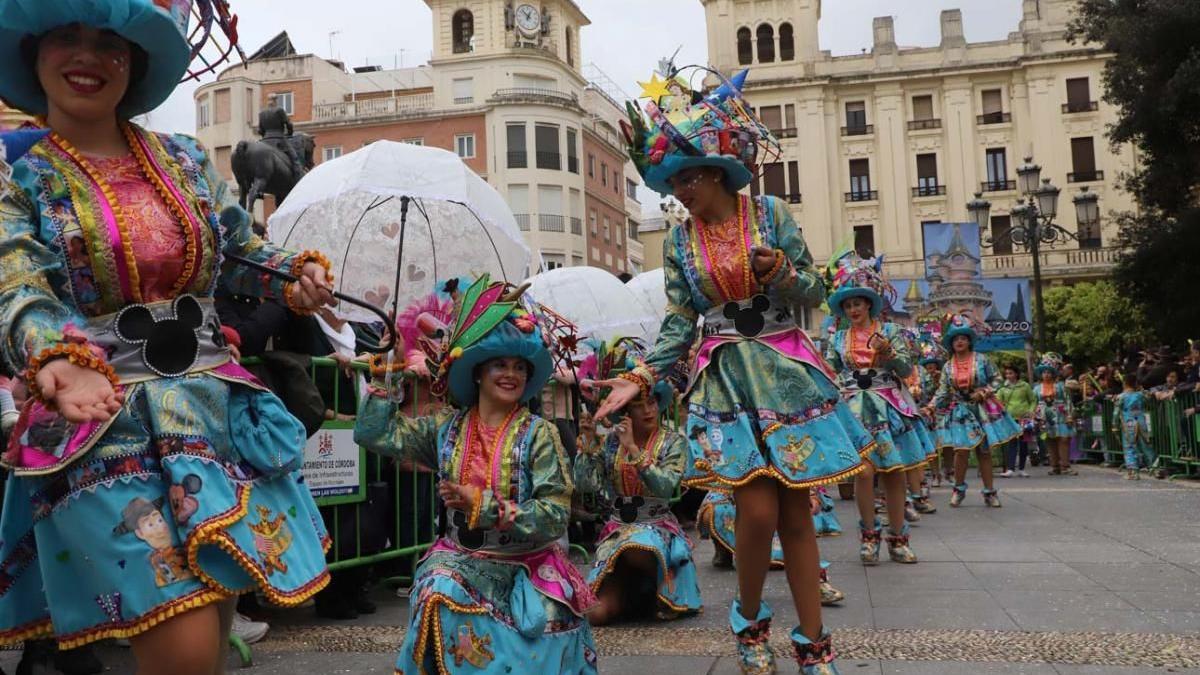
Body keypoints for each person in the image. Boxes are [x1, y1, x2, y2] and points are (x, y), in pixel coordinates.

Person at [0, 3, 338, 673]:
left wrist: (295, 276)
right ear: (35, 55)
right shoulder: (22, 183)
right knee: (181, 646)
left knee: (207, 640)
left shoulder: (181, 160)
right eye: (67, 36)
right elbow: (15, 283)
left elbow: (238, 248)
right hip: (106, 423)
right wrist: (57, 358)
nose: (88, 56)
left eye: (109, 42)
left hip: (210, 419)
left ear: (138, 61)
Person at [595, 65, 872, 674]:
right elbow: (679, 322)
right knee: (756, 510)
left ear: (717, 168)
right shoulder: (677, 242)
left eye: (688, 176)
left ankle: (812, 641)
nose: (681, 191)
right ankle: (748, 621)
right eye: (673, 181)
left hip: (784, 366)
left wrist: (782, 274)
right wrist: (640, 375)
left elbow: (816, 290)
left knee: (795, 511)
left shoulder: (770, 214)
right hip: (725, 376)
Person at [354, 275, 598, 674]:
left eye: (519, 366)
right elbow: (374, 433)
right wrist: (388, 369)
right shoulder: (445, 429)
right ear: (477, 372)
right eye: (500, 364)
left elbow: (555, 515)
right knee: (439, 586)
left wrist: (485, 506)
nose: (511, 374)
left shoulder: (540, 434)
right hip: (460, 560)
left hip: (525, 564)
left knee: (546, 625)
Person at [572, 338, 702, 625]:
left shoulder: (673, 443)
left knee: (639, 546)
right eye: (638, 405)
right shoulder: (610, 445)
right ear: (624, 411)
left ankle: (656, 587)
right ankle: (635, 595)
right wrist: (588, 443)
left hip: (656, 532)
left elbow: (667, 487)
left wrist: (634, 450)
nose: (648, 411)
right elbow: (586, 489)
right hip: (617, 532)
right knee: (595, 614)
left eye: (652, 402)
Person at [822, 253, 932, 565]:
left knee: (894, 474)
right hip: (854, 409)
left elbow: (906, 366)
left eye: (857, 303)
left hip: (887, 405)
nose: (853, 309)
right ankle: (869, 536)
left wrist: (889, 355)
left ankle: (898, 538)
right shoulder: (839, 337)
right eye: (847, 305)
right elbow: (830, 370)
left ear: (868, 304)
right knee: (864, 473)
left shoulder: (891, 331)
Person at [932, 316, 1021, 508]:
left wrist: (985, 391)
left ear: (969, 340)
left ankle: (989, 492)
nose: (960, 342)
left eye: (963, 338)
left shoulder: (982, 359)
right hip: (960, 411)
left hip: (981, 411)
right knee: (961, 451)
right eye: (955, 339)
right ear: (951, 343)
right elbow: (943, 391)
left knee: (984, 452)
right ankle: (958, 489)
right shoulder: (948, 366)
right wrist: (930, 406)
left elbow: (997, 379)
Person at [1034, 354, 1077, 476]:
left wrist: (1070, 415)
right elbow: (1034, 403)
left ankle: (1065, 466)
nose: (1046, 375)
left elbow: (1068, 401)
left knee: (1064, 439)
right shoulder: (1037, 389)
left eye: (1049, 372)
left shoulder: (1060, 387)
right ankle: (1055, 466)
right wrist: (1034, 416)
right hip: (1045, 416)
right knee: (1049, 440)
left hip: (1061, 414)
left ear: (1053, 374)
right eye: (1044, 372)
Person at [996, 364, 1037, 478]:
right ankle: (1010, 469)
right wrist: (1001, 409)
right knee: (1011, 443)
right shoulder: (1003, 388)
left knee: (1024, 444)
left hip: (1025, 419)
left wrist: (1030, 411)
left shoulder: (1025, 386)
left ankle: (1022, 469)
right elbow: (998, 401)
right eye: (1007, 373)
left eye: (1011, 373)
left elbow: (1033, 400)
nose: (1008, 376)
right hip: (1010, 419)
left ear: (1016, 374)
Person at [1114, 374, 1156, 479]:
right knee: (1146, 445)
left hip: (1128, 423)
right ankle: (1154, 468)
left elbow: (1116, 413)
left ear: (1124, 383)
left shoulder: (1120, 397)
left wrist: (1114, 426)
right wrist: (1142, 390)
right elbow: (1149, 400)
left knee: (1129, 446)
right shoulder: (1140, 395)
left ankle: (1133, 472)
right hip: (1141, 422)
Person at [257, 93, 304, 178]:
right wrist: (289, 133)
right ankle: (299, 177)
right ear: (275, 101)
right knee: (295, 158)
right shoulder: (279, 110)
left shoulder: (262, 113)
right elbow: (289, 124)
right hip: (279, 139)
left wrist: (265, 136)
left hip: (265, 140)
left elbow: (260, 130)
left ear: (268, 101)